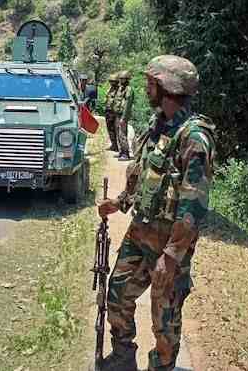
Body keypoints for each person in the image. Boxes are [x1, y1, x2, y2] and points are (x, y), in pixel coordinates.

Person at [96, 55, 216, 371]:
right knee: (118, 295)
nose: (146, 87)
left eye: (151, 82)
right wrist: (120, 202)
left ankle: (160, 367)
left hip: (168, 248)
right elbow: (144, 175)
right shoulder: (157, 125)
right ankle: (123, 355)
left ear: (168, 87)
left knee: (164, 320)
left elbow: (194, 204)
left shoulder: (193, 137)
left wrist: (173, 255)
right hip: (140, 234)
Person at [115, 70, 134, 161]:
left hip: (123, 115)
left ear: (126, 79)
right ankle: (121, 151)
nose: (121, 80)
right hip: (118, 114)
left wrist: (124, 117)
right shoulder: (121, 88)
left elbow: (127, 105)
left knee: (122, 134)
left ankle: (126, 154)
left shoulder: (129, 89)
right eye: (120, 79)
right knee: (119, 134)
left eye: (122, 79)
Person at [103, 73, 120, 152]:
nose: (111, 83)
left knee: (116, 129)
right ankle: (114, 145)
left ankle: (119, 147)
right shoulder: (110, 89)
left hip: (114, 112)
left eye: (113, 81)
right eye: (111, 81)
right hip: (108, 111)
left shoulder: (119, 90)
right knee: (110, 129)